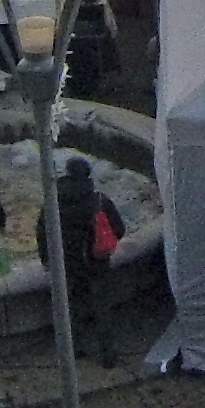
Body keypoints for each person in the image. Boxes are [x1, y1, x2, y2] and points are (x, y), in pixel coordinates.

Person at [51, 155, 123, 365]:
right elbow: (119, 228)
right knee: (101, 307)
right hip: (96, 261)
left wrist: (48, 258)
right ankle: (107, 354)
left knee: (73, 304)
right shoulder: (99, 201)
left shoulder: (54, 200)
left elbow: (42, 230)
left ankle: (76, 349)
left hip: (68, 263)